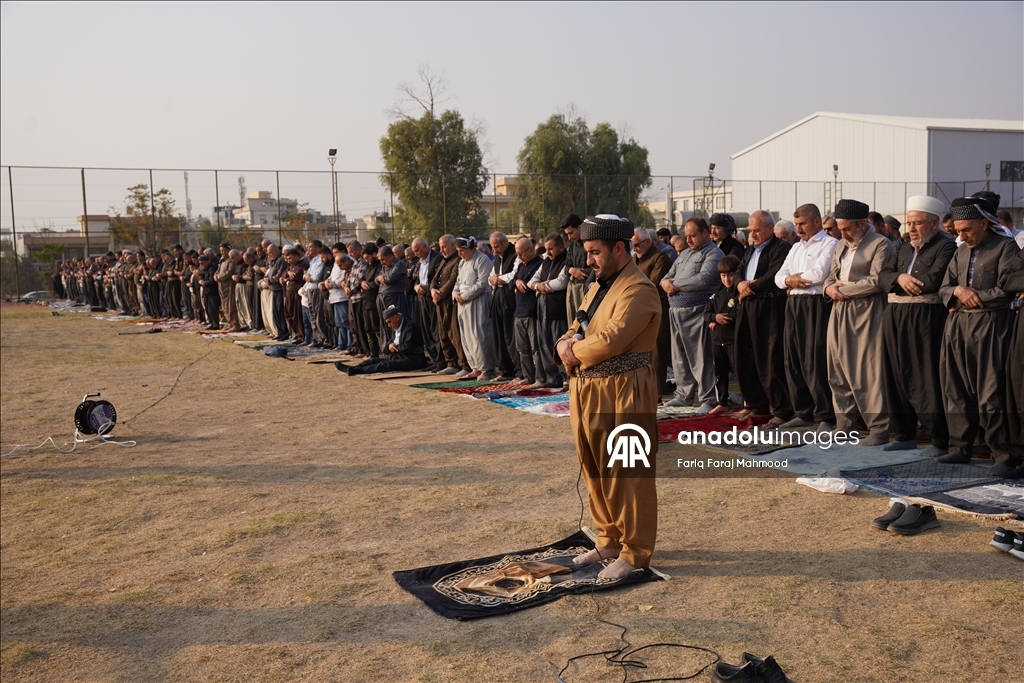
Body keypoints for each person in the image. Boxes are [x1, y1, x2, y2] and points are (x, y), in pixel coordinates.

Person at [555, 214, 662, 581]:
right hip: (586, 390)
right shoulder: (599, 285)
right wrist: (563, 344)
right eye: (587, 252)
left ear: (620, 248)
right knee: (594, 468)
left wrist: (570, 351)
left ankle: (635, 553)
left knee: (627, 473)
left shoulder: (640, 289)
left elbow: (611, 340)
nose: (589, 261)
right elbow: (576, 327)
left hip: (624, 390)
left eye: (595, 252)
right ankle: (609, 539)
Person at [937, 196, 1023, 476]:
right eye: (958, 231)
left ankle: (1003, 453)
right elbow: (945, 287)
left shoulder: (1005, 247)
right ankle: (960, 447)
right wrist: (957, 293)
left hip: (992, 326)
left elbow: (1007, 289)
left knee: (991, 391)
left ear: (985, 224)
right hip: (958, 326)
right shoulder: (960, 251)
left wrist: (974, 296)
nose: (961, 236)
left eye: (967, 230)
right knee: (956, 388)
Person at [878, 196, 957, 456]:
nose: (911, 228)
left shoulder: (946, 247)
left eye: (917, 223)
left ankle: (938, 439)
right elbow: (883, 276)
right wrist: (900, 277)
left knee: (925, 378)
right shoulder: (902, 248)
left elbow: (931, 280)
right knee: (894, 375)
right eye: (909, 223)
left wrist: (899, 280)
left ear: (934, 224)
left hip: (926, 318)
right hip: (895, 315)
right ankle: (903, 434)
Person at [824, 199, 895, 446]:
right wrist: (829, 290)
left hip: (867, 311)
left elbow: (876, 281)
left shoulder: (881, 244)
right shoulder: (841, 245)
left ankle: (878, 428)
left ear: (862, 224)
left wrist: (844, 289)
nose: (842, 234)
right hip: (838, 308)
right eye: (840, 229)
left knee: (867, 371)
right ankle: (845, 425)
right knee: (837, 368)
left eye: (847, 229)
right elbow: (830, 277)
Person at [775, 204, 839, 431]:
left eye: (802, 223)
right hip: (794, 304)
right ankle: (802, 411)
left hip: (815, 304)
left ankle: (826, 415)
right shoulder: (796, 248)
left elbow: (819, 275)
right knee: (792, 358)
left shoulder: (830, 244)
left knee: (814, 358)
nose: (799, 228)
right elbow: (779, 277)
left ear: (816, 222)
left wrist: (791, 280)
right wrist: (790, 281)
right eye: (797, 224)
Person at [733, 210, 793, 424]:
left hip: (770, 307)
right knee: (745, 356)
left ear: (770, 228)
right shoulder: (750, 249)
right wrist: (740, 284)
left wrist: (751, 288)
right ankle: (758, 404)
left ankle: (781, 409)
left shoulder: (781, 248)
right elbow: (739, 271)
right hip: (747, 306)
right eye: (751, 230)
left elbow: (773, 275)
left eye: (757, 230)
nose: (753, 234)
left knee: (770, 358)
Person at [660, 217, 723, 412]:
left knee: (701, 357)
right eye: (686, 236)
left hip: (698, 312)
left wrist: (675, 284)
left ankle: (709, 398)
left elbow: (702, 280)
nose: (688, 240)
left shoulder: (714, 253)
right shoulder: (685, 254)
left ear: (705, 233)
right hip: (675, 311)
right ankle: (683, 395)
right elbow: (666, 277)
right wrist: (665, 283)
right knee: (679, 356)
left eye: (692, 236)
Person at [633, 228, 672, 396]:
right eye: (632, 245)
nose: (634, 249)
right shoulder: (634, 258)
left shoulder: (660, 257)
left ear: (647, 242)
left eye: (637, 245)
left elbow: (652, 284)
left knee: (657, 352)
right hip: (637, 309)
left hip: (657, 309)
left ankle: (656, 392)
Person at [336, 306, 428, 375]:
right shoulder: (396, 327)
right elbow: (390, 343)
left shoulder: (411, 327)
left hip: (413, 359)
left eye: (389, 321)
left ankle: (357, 371)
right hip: (399, 356)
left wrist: (394, 348)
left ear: (397, 317)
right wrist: (389, 346)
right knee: (374, 360)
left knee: (384, 365)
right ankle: (353, 368)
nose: (389, 325)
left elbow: (407, 347)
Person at [529, 233, 570, 388]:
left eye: (551, 248)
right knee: (545, 345)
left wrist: (543, 286)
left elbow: (561, 282)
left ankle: (565, 377)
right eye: (546, 249)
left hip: (557, 310)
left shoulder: (566, 260)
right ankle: (552, 378)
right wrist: (538, 286)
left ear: (560, 247)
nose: (548, 252)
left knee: (558, 344)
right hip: (542, 310)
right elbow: (532, 280)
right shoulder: (546, 261)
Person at [453, 235, 496, 380]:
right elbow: (458, 282)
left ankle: (486, 368)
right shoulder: (461, 263)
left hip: (478, 301)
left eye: (462, 250)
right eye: (458, 250)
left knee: (479, 335)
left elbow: (482, 283)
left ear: (471, 248)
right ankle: (475, 367)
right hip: (463, 303)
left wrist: (465, 295)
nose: (460, 253)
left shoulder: (482, 259)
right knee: (466, 335)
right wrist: (455, 294)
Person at [704, 255, 742, 414]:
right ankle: (722, 402)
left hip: (732, 339)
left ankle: (747, 403)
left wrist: (718, 319)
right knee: (720, 373)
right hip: (717, 340)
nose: (727, 279)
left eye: (731, 275)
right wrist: (714, 317)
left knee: (740, 372)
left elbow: (735, 314)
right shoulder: (716, 295)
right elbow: (707, 313)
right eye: (723, 276)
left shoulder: (739, 295)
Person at [431, 234, 469, 375]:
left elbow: (453, 279)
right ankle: (451, 362)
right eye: (440, 247)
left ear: (453, 246)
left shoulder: (458, 260)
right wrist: (433, 290)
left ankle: (464, 364)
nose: (442, 250)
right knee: (443, 332)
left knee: (455, 333)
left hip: (450, 302)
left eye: (444, 247)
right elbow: (435, 278)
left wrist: (439, 293)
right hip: (439, 302)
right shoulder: (443, 261)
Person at [511, 237, 545, 386]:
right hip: (519, 312)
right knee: (522, 348)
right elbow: (512, 281)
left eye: (521, 253)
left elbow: (532, 285)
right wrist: (516, 282)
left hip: (532, 312)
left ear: (531, 250)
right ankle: (528, 376)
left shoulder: (540, 265)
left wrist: (520, 283)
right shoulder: (520, 266)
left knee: (535, 348)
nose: (519, 257)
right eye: (517, 254)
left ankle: (539, 378)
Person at [487, 231, 519, 381]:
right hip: (497, 299)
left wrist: (498, 279)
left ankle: (518, 370)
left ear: (505, 243)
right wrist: (496, 279)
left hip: (509, 300)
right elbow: (490, 277)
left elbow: (513, 275)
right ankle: (505, 370)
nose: (494, 250)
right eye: (492, 247)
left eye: (496, 247)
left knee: (510, 336)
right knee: (498, 335)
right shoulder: (497, 258)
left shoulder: (515, 253)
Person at [411, 237, 443, 370]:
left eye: (417, 250)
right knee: (426, 330)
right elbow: (415, 279)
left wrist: (427, 288)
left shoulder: (437, 259)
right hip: (421, 299)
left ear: (425, 246)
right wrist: (416, 287)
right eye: (414, 251)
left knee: (436, 330)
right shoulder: (419, 263)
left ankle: (441, 361)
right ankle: (434, 360)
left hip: (433, 299)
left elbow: (439, 281)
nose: (416, 253)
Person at [562, 214, 590, 322]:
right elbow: (566, 266)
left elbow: (595, 268)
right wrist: (571, 271)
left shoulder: (589, 241)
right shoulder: (573, 245)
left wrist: (579, 273)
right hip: (573, 288)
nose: (569, 237)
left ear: (579, 227)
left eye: (571, 233)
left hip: (585, 288)